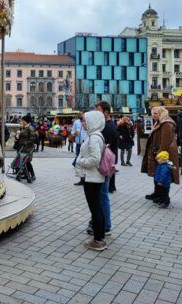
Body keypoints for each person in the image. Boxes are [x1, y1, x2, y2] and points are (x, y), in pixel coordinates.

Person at [75, 111, 107, 251]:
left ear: (93, 121)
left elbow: (95, 159)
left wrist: (80, 161)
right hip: (94, 177)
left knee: (95, 208)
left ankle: (98, 240)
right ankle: (100, 237)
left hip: (92, 177)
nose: (83, 123)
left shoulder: (94, 137)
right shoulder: (96, 135)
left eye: (85, 120)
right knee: (97, 207)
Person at [142, 106, 180, 201]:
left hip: (163, 155)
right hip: (159, 153)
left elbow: (165, 142)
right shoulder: (159, 123)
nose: (153, 115)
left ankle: (164, 198)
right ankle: (157, 193)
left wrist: (159, 156)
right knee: (157, 174)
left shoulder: (166, 124)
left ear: (162, 113)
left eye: (155, 113)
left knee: (164, 176)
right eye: (152, 113)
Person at [95, 101, 118, 195]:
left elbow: (106, 146)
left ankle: (110, 187)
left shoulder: (108, 126)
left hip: (106, 160)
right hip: (109, 161)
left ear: (106, 112)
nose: (96, 113)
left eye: (99, 110)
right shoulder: (106, 124)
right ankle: (111, 186)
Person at [14, 114, 37, 181]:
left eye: (23, 120)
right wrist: (17, 136)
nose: (21, 122)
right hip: (22, 147)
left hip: (28, 148)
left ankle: (33, 175)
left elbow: (32, 139)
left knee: (27, 161)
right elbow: (21, 137)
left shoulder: (30, 128)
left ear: (25, 121)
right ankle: (26, 174)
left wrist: (25, 143)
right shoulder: (24, 128)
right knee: (23, 161)